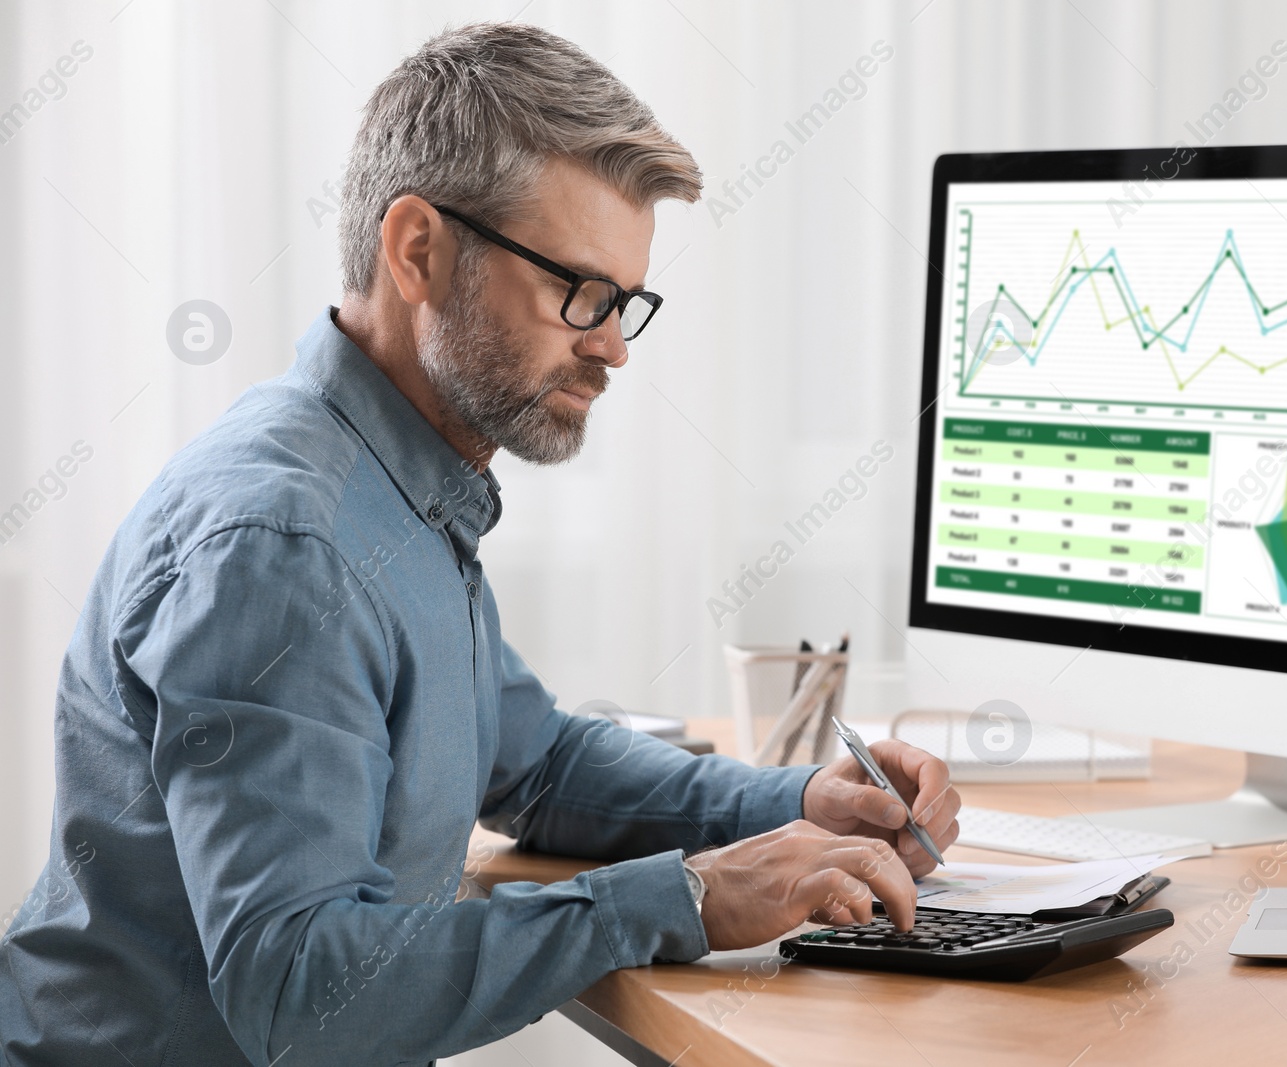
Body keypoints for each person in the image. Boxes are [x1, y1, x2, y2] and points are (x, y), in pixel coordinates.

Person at [0, 22, 960, 1067]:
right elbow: (300, 991)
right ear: (419, 250)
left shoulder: (399, 483)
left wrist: (799, 799)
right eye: (580, 292)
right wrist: (684, 895)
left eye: (627, 302)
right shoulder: (285, 546)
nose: (611, 347)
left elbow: (536, 764)